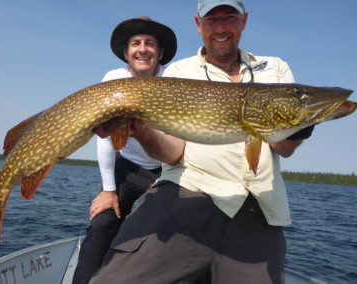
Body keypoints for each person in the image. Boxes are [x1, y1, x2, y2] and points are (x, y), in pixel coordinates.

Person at [89, 1, 315, 284]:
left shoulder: (275, 69)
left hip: (257, 207)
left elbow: (285, 148)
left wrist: (301, 124)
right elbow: (173, 153)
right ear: (199, 25)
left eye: (229, 18)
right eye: (212, 20)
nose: (220, 28)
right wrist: (141, 132)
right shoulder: (179, 72)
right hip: (186, 194)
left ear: (243, 21)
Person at [72, 17, 177, 284]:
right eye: (136, 43)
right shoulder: (113, 79)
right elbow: (104, 139)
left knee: (169, 233)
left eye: (150, 43)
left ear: (160, 53)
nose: (142, 49)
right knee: (102, 223)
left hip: (169, 169)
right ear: (126, 52)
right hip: (128, 167)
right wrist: (108, 190)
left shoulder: (175, 79)